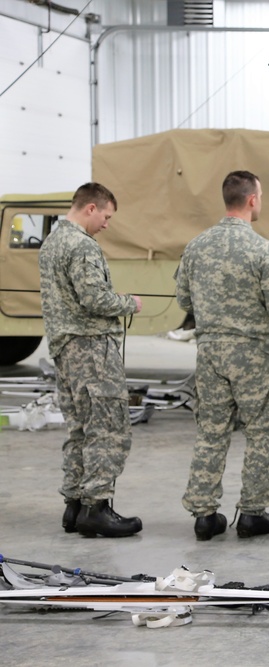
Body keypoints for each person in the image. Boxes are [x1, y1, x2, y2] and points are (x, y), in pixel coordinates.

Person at [175, 170, 269, 540]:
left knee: (211, 431)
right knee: (261, 431)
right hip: (252, 354)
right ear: (253, 200)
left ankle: (205, 516)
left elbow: (183, 300)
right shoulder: (262, 249)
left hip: (209, 352)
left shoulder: (196, 247)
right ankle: (253, 514)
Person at [38, 182, 143, 538]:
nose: (107, 224)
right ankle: (96, 507)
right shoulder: (81, 246)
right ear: (91, 208)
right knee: (107, 428)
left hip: (65, 350)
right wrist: (130, 303)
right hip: (91, 350)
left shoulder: (52, 242)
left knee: (79, 430)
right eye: (107, 216)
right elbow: (94, 299)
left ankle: (74, 506)